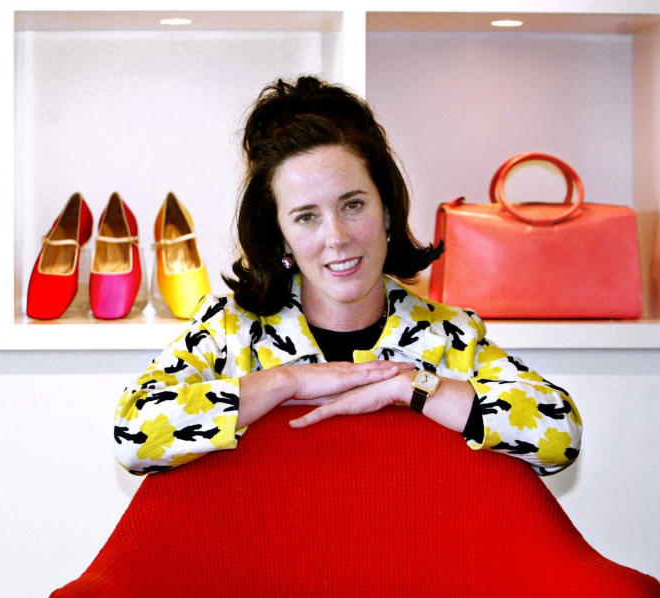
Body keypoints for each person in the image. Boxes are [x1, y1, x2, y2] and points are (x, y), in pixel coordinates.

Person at [114, 75, 582, 476]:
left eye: (352, 205)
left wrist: (411, 387)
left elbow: (561, 434)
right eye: (305, 217)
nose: (336, 237)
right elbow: (132, 436)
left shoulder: (450, 335)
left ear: (387, 210)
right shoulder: (229, 329)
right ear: (279, 236)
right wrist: (286, 383)